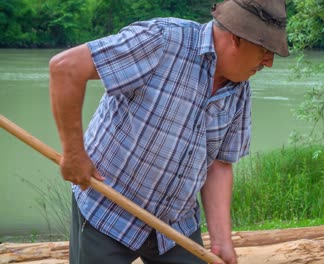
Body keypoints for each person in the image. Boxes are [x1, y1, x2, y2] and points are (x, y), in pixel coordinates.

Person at [49, 0, 289, 263]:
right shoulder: (162, 40)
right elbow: (66, 68)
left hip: (175, 225)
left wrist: (221, 241)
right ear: (236, 37)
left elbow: (218, 165)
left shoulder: (239, 89)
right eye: (265, 49)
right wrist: (74, 154)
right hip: (108, 209)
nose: (269, 62)